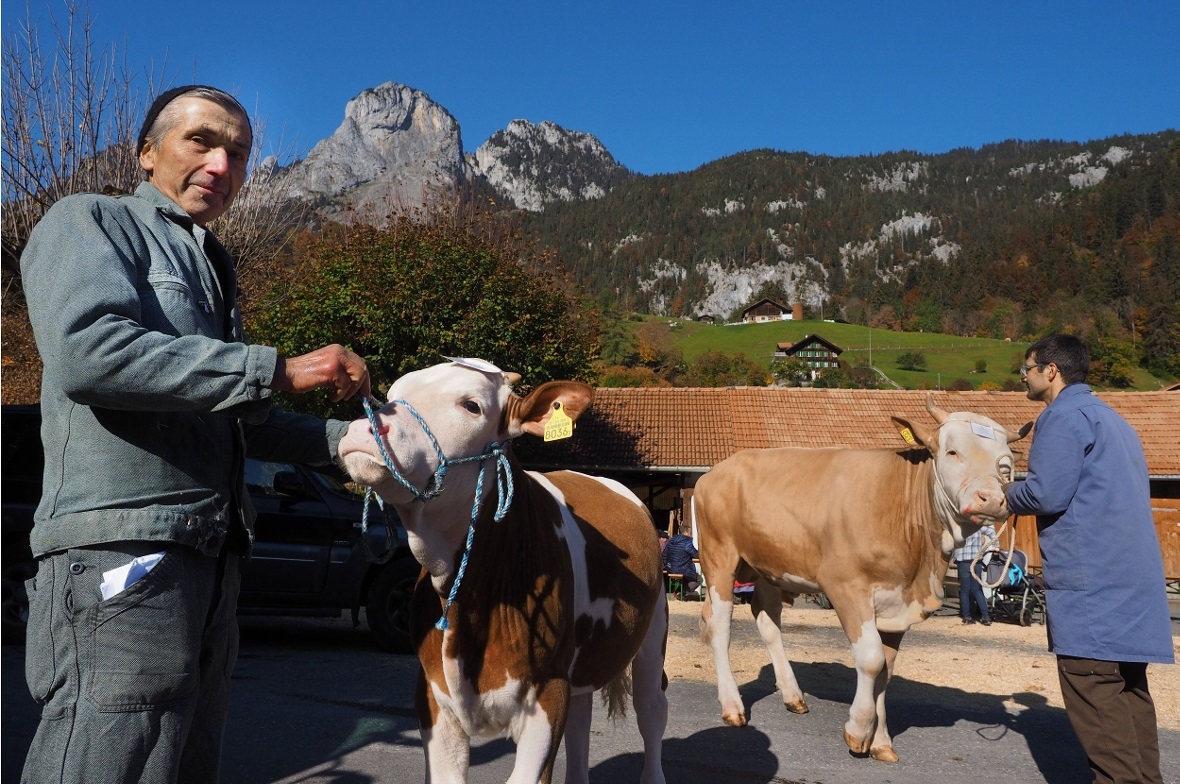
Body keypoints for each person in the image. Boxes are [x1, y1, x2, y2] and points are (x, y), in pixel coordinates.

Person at [19, 85, 371, 784]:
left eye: (237, 153)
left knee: (178, 764)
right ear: (146, 154)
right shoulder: (89, 220)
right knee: (104, 762)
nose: (221, 164)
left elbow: (241, 418)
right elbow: (92, 355)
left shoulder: (213, 268)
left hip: (210, 563)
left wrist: (349, 443)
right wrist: (277, 367)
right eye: (201, 141)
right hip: (124, 551)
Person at [1004, 333, 1173, 784]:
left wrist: (1000, 497)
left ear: (1050, 371)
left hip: (1093, 593)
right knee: (1131, 697)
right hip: (1130, 589)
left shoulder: (1060, 418)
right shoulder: (1113, 419)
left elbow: (1045, 492)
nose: (1024, 376)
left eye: (1027, 368)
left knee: (1096, 697)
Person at [952, 523, 995, 625]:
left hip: (963, 560)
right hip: (976, 561)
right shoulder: (978, 525)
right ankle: (985, 617)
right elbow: (992, 532)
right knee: (977, 590)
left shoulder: (959, 526)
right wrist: (996, 546)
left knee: (965, 590)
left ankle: (966, 617)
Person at [662, 527, 700, 595]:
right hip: (682, 568)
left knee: (685, 578)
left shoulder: (671, 540)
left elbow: (664, 554)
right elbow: (695, 554)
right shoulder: (687, 541)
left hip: (670, 568)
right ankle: (680, 592)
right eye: (690, 533)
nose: (690, 535)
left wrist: (667, 564)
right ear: (686, 532)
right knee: (698, 579)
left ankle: (680, 593)